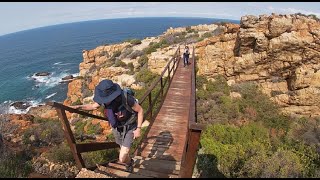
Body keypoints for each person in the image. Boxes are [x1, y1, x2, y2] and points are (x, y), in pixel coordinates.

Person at [71, 79, 143, 173]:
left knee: (122, 157)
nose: (105, 102)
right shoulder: (104, 100)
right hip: (117, 128)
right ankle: (129, 162)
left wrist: (138, 129)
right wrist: (78, 107)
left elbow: (140, 110)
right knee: (123, 150)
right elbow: (93, 106)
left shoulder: (126, 98)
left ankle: (128, 162)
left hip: (130, 127)